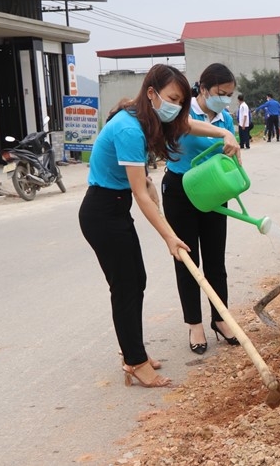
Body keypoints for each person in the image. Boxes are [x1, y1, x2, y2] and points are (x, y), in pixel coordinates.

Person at [78, 64, 238, 388]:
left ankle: (133, 353)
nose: (176, 107)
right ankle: (135, 362)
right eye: (172, 98)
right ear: (151, 93)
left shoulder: (147, 119)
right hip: (103, 212)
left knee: (135, 281)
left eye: (181, 101)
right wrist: (170, 237)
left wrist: (224, 132)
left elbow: (188, 125)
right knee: (125, 287)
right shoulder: (129, 128)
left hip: (115, 208)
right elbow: (141, 193)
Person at [162, 63, 242, 355]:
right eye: (221, 93)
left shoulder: (226, 121)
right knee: (187, 259)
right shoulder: (182, 111)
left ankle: (221, 318)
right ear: (204, 89)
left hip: (214, 193)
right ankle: (194, 323)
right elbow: (183, 130)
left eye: (230, 95)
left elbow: (232, 159)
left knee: (215, 259)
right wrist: (222, 136)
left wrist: (237, 173)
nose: (225, 99)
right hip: (180, 190)